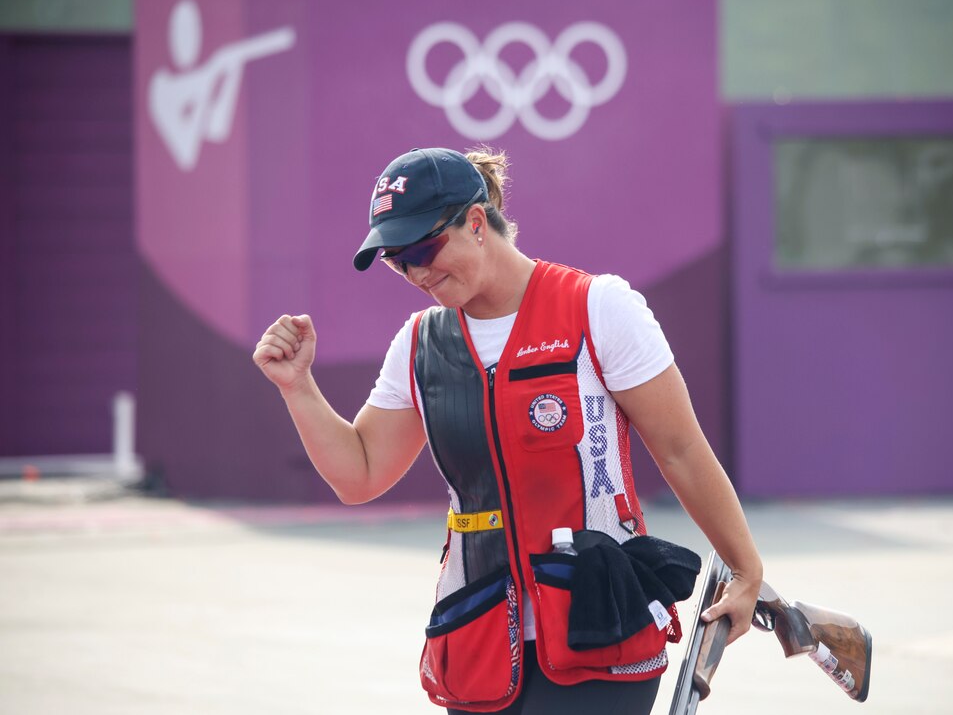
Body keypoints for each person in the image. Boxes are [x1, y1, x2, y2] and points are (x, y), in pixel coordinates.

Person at [252, 147, 763, 714]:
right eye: (398, 260)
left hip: (597, 627)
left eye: (424, 247)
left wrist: (745, 569)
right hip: (478, 640)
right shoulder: (419, 344)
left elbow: (681, 450)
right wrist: (297, 387)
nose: (417, 273)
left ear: (475, 222)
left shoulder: (599, 307)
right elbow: (360, 475)